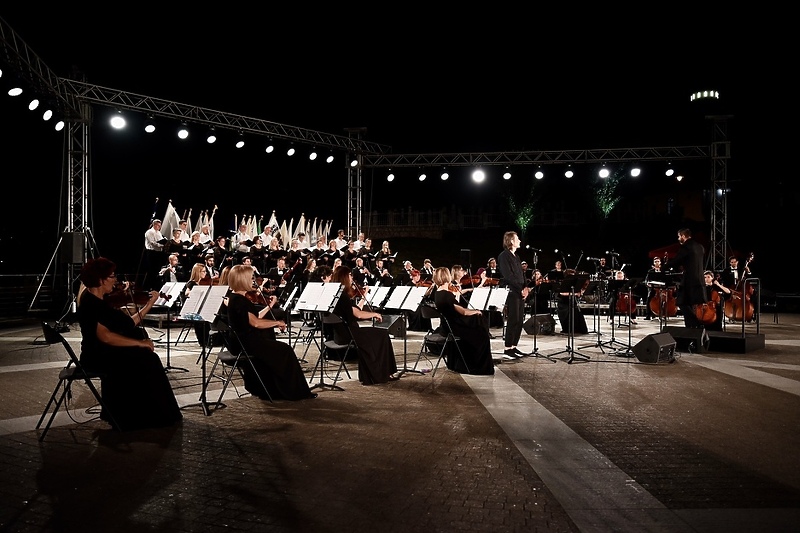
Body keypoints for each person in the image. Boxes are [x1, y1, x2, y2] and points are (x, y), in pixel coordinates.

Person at [75, 257, 182, 431]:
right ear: (100, 280)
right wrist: (139, 343)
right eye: (111, 276)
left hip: (101, 351)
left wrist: (148, 304)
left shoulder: (96, 300)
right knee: (147, 359)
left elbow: (126, 324)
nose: (115, 280)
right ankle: (142, 416)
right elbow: (106, 337)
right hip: (97, 356)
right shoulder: (94, 304)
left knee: (147, 357)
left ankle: (137, 413)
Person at [224, 265, 316, 400]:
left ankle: (273, 390)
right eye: (251, 278)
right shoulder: (239, 300)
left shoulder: (236, 298)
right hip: (247, 343)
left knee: (276, 348)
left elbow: (255, 317)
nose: (254, 281)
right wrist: (277, 322)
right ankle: (293, 392)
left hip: (241, 342)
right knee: (285, 351)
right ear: (242, 280)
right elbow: (255, 322)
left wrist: (269, 306)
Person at [330, 266, 398, 385]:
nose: (352, 278)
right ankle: (383, 374)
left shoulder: (336, 295)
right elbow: (358, 315)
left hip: (339, 335)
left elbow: (354, 311)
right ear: (344, 277)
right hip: (351, 333)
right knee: (382, 334)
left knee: (377, 334)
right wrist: (375, 314)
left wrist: (363, 297)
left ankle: (374, 374)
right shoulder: (343, 296)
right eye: (350, 275)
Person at [431, 267, 494, 375]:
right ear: (447, 277)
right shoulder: (447, 294)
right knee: (482, 331)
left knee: (478, 323)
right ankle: (479, 365)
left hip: (447, 326)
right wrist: (476, 311)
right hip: (455, 327)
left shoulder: (438, 293)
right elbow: (463, 312)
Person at [664, 228, 706, 328]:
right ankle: (690, 328)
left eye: (679, 236)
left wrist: (664, 267)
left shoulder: (686, 247)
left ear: (683, 236)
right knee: (690, 304)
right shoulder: (700, 247)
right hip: (700, 280)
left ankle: (696, 323)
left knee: (681, 302)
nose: (678, 239)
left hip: (689, 280)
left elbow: (676, 260)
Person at [497, 231, 530, 359]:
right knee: (513, 319)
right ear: (511, 241)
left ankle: (514, 346)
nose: (520, 241)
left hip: (520, 291)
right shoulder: (504, 256)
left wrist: (526, 287)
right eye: (517, 239)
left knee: (520, 320)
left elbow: (521, 274)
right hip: (511, 291)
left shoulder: (516, 256)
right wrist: (520, 289)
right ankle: (507, 348)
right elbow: (508, 276)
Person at [143, 218, 167, 290]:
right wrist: (162, 245)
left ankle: (153, 286)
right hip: (151, 252)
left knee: (156, 270)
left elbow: (161, 240)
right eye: (158, 225)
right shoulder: (149, 232)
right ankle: (146, 287)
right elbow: (152, 242)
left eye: (160, 226)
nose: (159, 227)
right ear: (154, 225)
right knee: (151, 270)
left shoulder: (159, 233)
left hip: (158, 253)